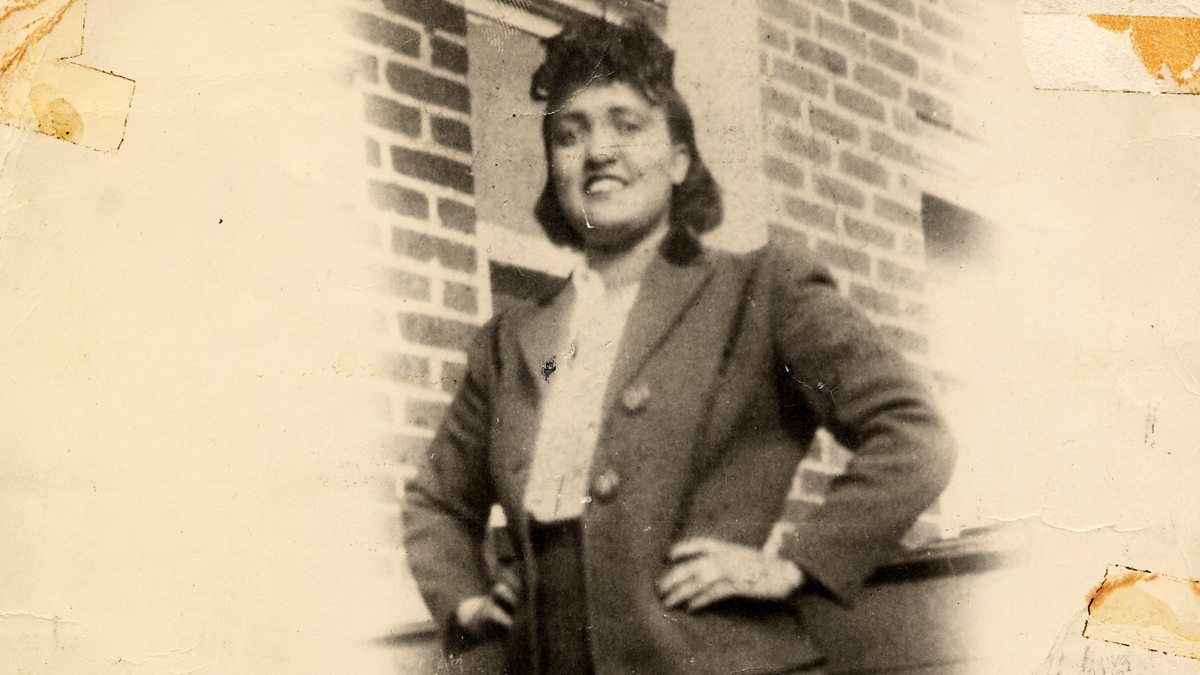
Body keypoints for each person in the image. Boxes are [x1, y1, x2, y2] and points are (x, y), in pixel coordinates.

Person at [402, 17, 955, 675]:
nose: (598, 151)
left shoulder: (761, 291)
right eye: (569, 134)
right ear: (554, 169)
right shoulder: (509, 342)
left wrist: (795, 564)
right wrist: (465, 603)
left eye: (627, 125)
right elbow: (436, 501)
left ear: (680, 160)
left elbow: (913, 431)